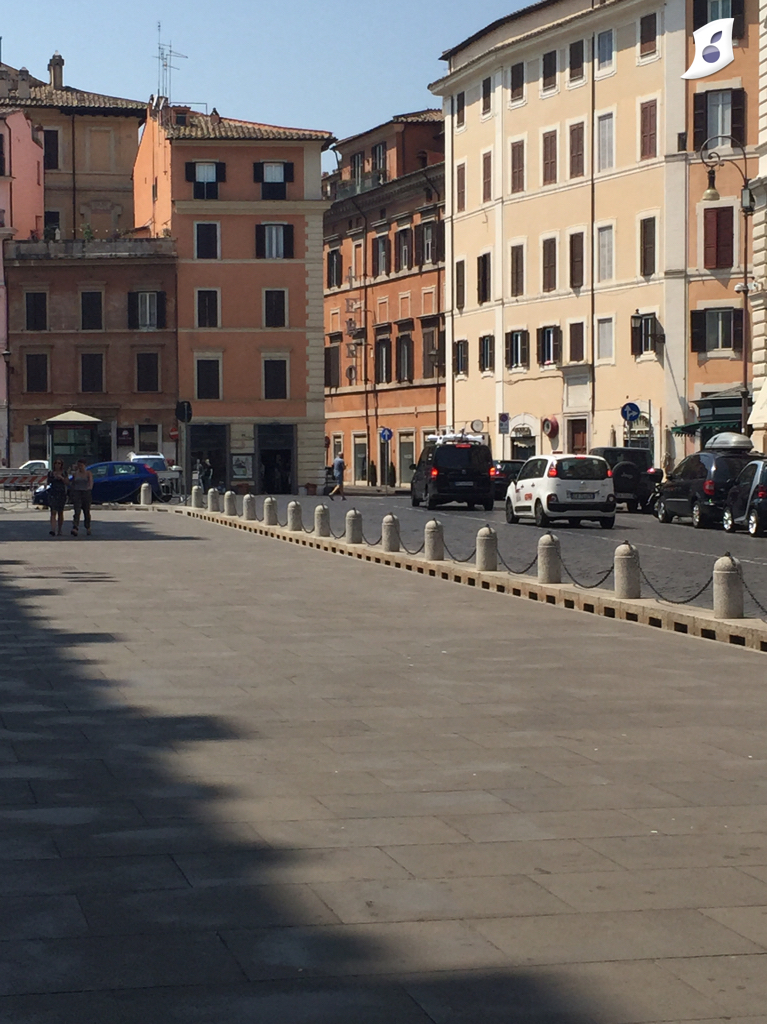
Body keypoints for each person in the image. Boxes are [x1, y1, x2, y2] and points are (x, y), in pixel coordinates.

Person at [69, 459, 93, 537]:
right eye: (79, 466)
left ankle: (88, 527)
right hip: (77, 492)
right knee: (77, 511)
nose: (80, 467)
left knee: (86, 511)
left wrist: (88, 488)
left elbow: (91, 483)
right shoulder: (75, 474)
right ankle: (75, 527)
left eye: (81, 466)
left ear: (85, 466)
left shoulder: (88, 473)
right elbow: (72, 483)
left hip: (85, 493)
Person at [46, 459, 68, 536]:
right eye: (56, 463)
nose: (57, 465)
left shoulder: (64, 473)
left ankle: (60, 529)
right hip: (53, 493)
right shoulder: (51, 473)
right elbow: (48, 482)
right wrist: (53, 477)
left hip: (61, 493)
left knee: (60, 512)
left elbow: (67, 482)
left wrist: (61, 478)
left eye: (59, 463)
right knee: (53, 511)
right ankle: (53, 529)